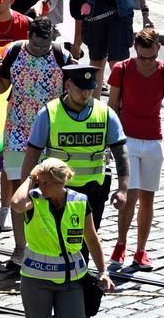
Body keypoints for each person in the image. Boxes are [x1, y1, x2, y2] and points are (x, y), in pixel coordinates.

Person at [104, 27, 164, 270]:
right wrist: (108, 142)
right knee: (131, 195)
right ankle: (121, 243)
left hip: (153, 142)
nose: (146, 62)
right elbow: (112, 107)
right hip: (127, 141)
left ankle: (140, 250)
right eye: (142, 57)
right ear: (135, 50)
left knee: (148, 198)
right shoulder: (122, 69)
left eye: (151, 57)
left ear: (158, 48)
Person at [23, 62, 127, 227]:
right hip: (57, 189)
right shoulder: (48, 114)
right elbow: (32, 153)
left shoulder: (106, 114)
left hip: (93, 191)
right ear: (68, 85)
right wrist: (26, 189)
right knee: (57, 244)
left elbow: (121, 153)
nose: (86, 94)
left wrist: (123, 188)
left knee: (87, 243)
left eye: (90, 89)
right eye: (81, 89)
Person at [10, 157, 110, 318]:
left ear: (61, 182)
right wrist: (31, 178)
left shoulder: (79, 202)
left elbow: (91, 239)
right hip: (36, 279)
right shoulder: (34, 199)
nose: (41, 187)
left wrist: (102, 271)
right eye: (39, 182)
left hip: (71, 280)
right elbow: (16, 204)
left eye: (46, 183)